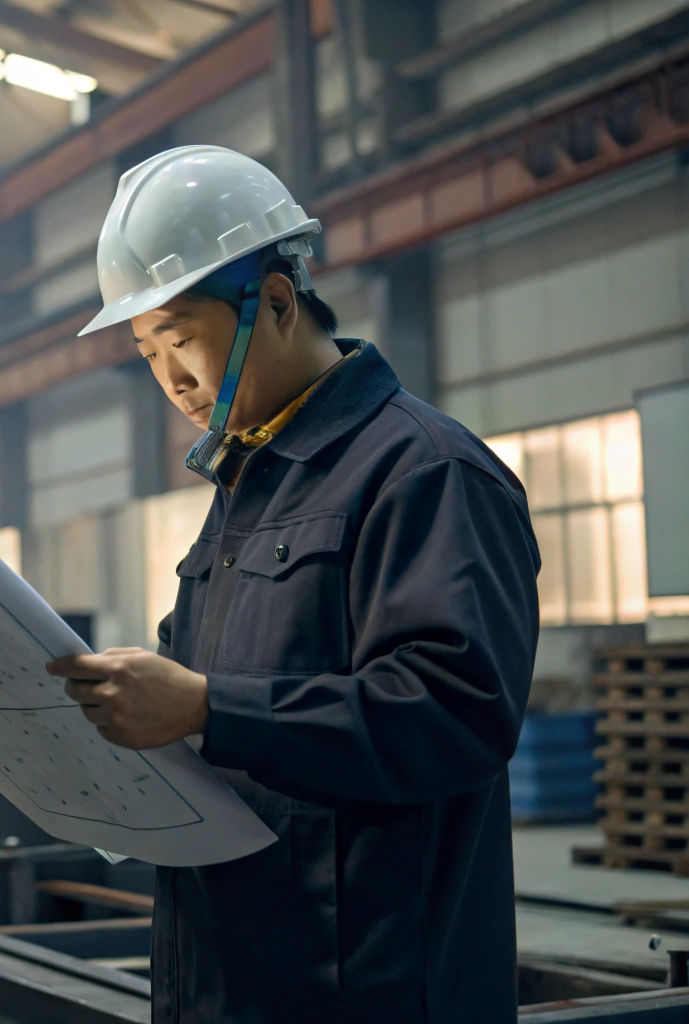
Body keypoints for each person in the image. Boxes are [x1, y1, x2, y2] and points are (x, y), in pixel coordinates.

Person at [44, 145, 540, 1023]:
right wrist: (8, 701)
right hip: (229, 976)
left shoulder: (423, 472)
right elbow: (171, 695)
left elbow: (453, 714)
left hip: (364, 988)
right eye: (145, 350)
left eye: (182, 338)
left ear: (274, 301)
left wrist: (208, 709)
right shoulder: (247, 487)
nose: (172, 381)